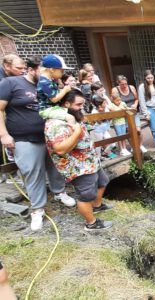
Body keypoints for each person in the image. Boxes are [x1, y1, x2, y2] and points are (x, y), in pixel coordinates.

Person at [0, 57, 75, 231]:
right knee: (32, 172)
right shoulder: (11, 83)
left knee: (56, 167)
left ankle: (59, 192)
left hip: (51, 136)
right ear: (31, 70)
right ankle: (38, 209)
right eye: (42, 72)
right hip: (25, 138)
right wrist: (3, 134)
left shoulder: (50, 84)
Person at [45, 89, 113, 231]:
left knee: (103, 181)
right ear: (66, 104)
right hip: (77, 166)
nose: (81, 107)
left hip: (90, 162)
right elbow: (60, 149)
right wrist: (76, 132)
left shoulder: (72, 116)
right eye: (78, 104)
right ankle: (91, 223)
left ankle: (96, 206)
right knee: (86, 195)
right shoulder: (55, 124)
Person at [111, 75, 147, 153]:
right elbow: (114, 102)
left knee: (138, 130)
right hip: (125, 114)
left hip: (134, 112)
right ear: (118, 83)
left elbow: (137, 99)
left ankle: (140, 145)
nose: (124, 86)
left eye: (125, 84)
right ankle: (133, 146)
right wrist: (125, 108)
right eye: (122, 84)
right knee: (128, 131)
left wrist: (135, 104)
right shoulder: (115, 90)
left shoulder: (131, 87)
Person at [37, 54, 73, 120]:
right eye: (61, 71)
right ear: (52, 70)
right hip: (47, 109)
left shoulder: (49, 80)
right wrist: (65, 90)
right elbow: (54, 99)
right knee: (70, 118)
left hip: (53, 108)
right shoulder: (44, 82)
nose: (63, 73)